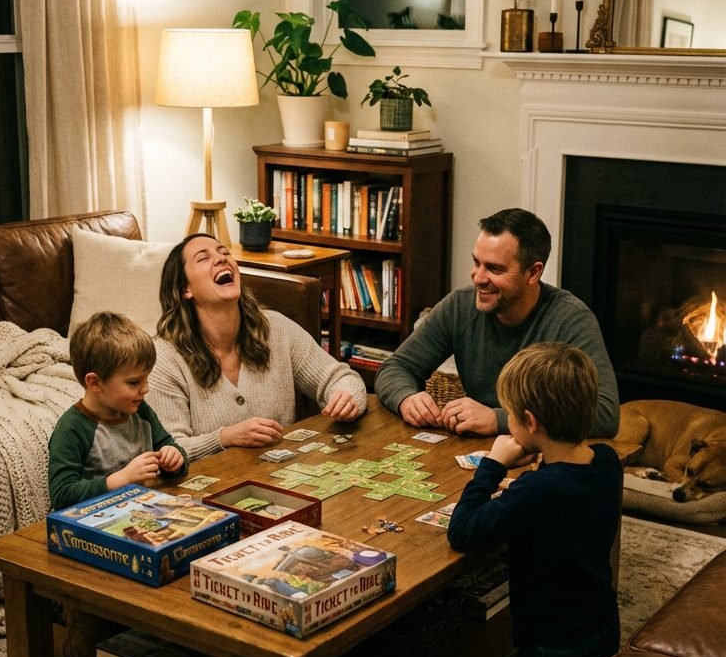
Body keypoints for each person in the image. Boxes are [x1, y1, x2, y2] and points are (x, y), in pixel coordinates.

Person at [447, 342, 622, 657]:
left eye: (509, 415)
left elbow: (462, 531)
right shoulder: (608, 462)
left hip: (548, 647)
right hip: (601, 627)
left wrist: (493, 464)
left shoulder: (537, 489)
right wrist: (542, 457)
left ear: (530, 422)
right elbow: (565, 492)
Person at [374, 206, 620, 438]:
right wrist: (406, 398)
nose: (478, 278)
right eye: (476, 262)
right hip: (476, 449)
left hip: (542, 455)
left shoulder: (571, 319)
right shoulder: (459, 306)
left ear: (533, 273)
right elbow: (395, 368)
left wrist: (499, 419)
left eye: (495, 269)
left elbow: (605, 414)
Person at [147, 234, 367, 459]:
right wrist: (224, 438)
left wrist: (346, 397)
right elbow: (169, 451)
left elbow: (341, 378)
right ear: (185, 289)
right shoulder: (163, 358)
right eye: (203, 259)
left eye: (224, 253)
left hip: (285, 476)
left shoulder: (276, 328)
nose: (221, 259)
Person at [48, 311, 187, 510]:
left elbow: (168, 446)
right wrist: (119, 480)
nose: (145, 388)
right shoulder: (72, 428)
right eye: (134, 382)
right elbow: (62, 495)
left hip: (142, 512)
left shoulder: (140, 411)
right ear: (95, 382)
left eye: (146, 378)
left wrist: (174, 457)